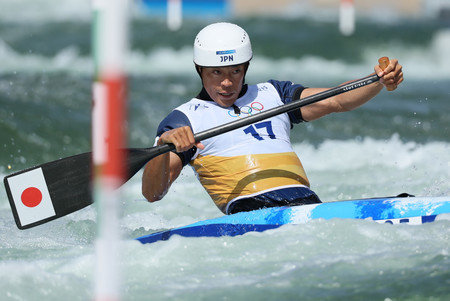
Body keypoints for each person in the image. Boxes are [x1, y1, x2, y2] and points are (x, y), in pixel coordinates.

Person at [142, 22, 403, 215]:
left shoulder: (274, 94)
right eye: (216, 72)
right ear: (200, 70)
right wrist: (163, 147)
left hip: (306, 205)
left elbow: (336, 100)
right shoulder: (183, 120)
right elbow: (153, 193)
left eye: (235, 71)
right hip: (251, 215)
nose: (226, 82)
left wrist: (379, 81)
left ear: (246, 67)